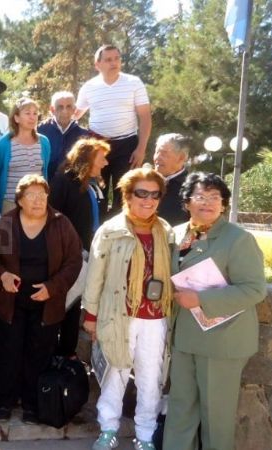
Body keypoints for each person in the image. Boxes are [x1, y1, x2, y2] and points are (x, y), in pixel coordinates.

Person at [163, 172, 267, 450]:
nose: (207, 203)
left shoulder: (238, 239)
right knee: (180, 409)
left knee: (216, 417)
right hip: (185, 338)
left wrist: (200, 299)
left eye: (214, 198)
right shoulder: (174, 234)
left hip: (222, 340)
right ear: (187, 202)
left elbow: (255, 289)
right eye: (200, 196)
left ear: (223, 204)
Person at [81, 167, 174, 450]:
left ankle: (144, 435)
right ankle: (108, 429)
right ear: (127, 195)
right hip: (118, 314)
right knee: (115, 372)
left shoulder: (166, 231)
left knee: (151, 377)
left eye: (154, 195)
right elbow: (95, 275)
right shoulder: (110, 231)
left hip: (156, 317)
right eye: (141, 193)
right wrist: (91, 315)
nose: (148, 200)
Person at [0, 175, 82, 422]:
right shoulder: (7, 224)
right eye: (31, 195)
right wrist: (3, 275)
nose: (38, 200)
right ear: (19, 200)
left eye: (42, 195)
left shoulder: (61, 224)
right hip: (11, 301)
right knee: (8, 352)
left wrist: (53, 287)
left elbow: (74, 262)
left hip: (47, 302)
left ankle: (33, 404)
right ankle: (4, 402)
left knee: (38, 354)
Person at [48, 138, 110, 358]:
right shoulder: (65, 180)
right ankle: (51, 350)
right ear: (87, 157)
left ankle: (67, 351)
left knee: (75, 303)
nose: (105, 163)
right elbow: (53, 215)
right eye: (101, 157)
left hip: (90, 250)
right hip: (67, 252)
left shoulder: (95, 185)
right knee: (63, 300)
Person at [75, 44, 152, 215]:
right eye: (108, 60)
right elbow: (75, 115)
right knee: (97, 192)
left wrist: (141, 148)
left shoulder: (134, 83)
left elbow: (145, 117)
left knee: (124, 192)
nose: (114, 63)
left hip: (127, 146)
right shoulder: (89, 87)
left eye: (117, 58)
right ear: (98, 65)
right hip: (98, 146)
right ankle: (97, 233)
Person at [0, 97, 52, 217]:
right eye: (27, 113)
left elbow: (44, 171)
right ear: (16, 118)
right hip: (11, 203)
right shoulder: (4, 144)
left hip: (37, 203)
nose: (32, 117)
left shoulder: (44, 142)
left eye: (35, 113)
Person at [37, 91, 88, 180]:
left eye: (69, 106)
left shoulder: (84, 135)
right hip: (45, 186)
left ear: (74, 109)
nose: (65, 111)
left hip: (73, 187)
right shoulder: (40, 130)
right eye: (60, 107)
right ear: (52, 109)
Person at [152, 133, 190, 225]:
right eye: (157, 152)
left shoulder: (192, 187)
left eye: (164, 153)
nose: (157, 158)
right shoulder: (145, 181)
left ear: (181, 157)